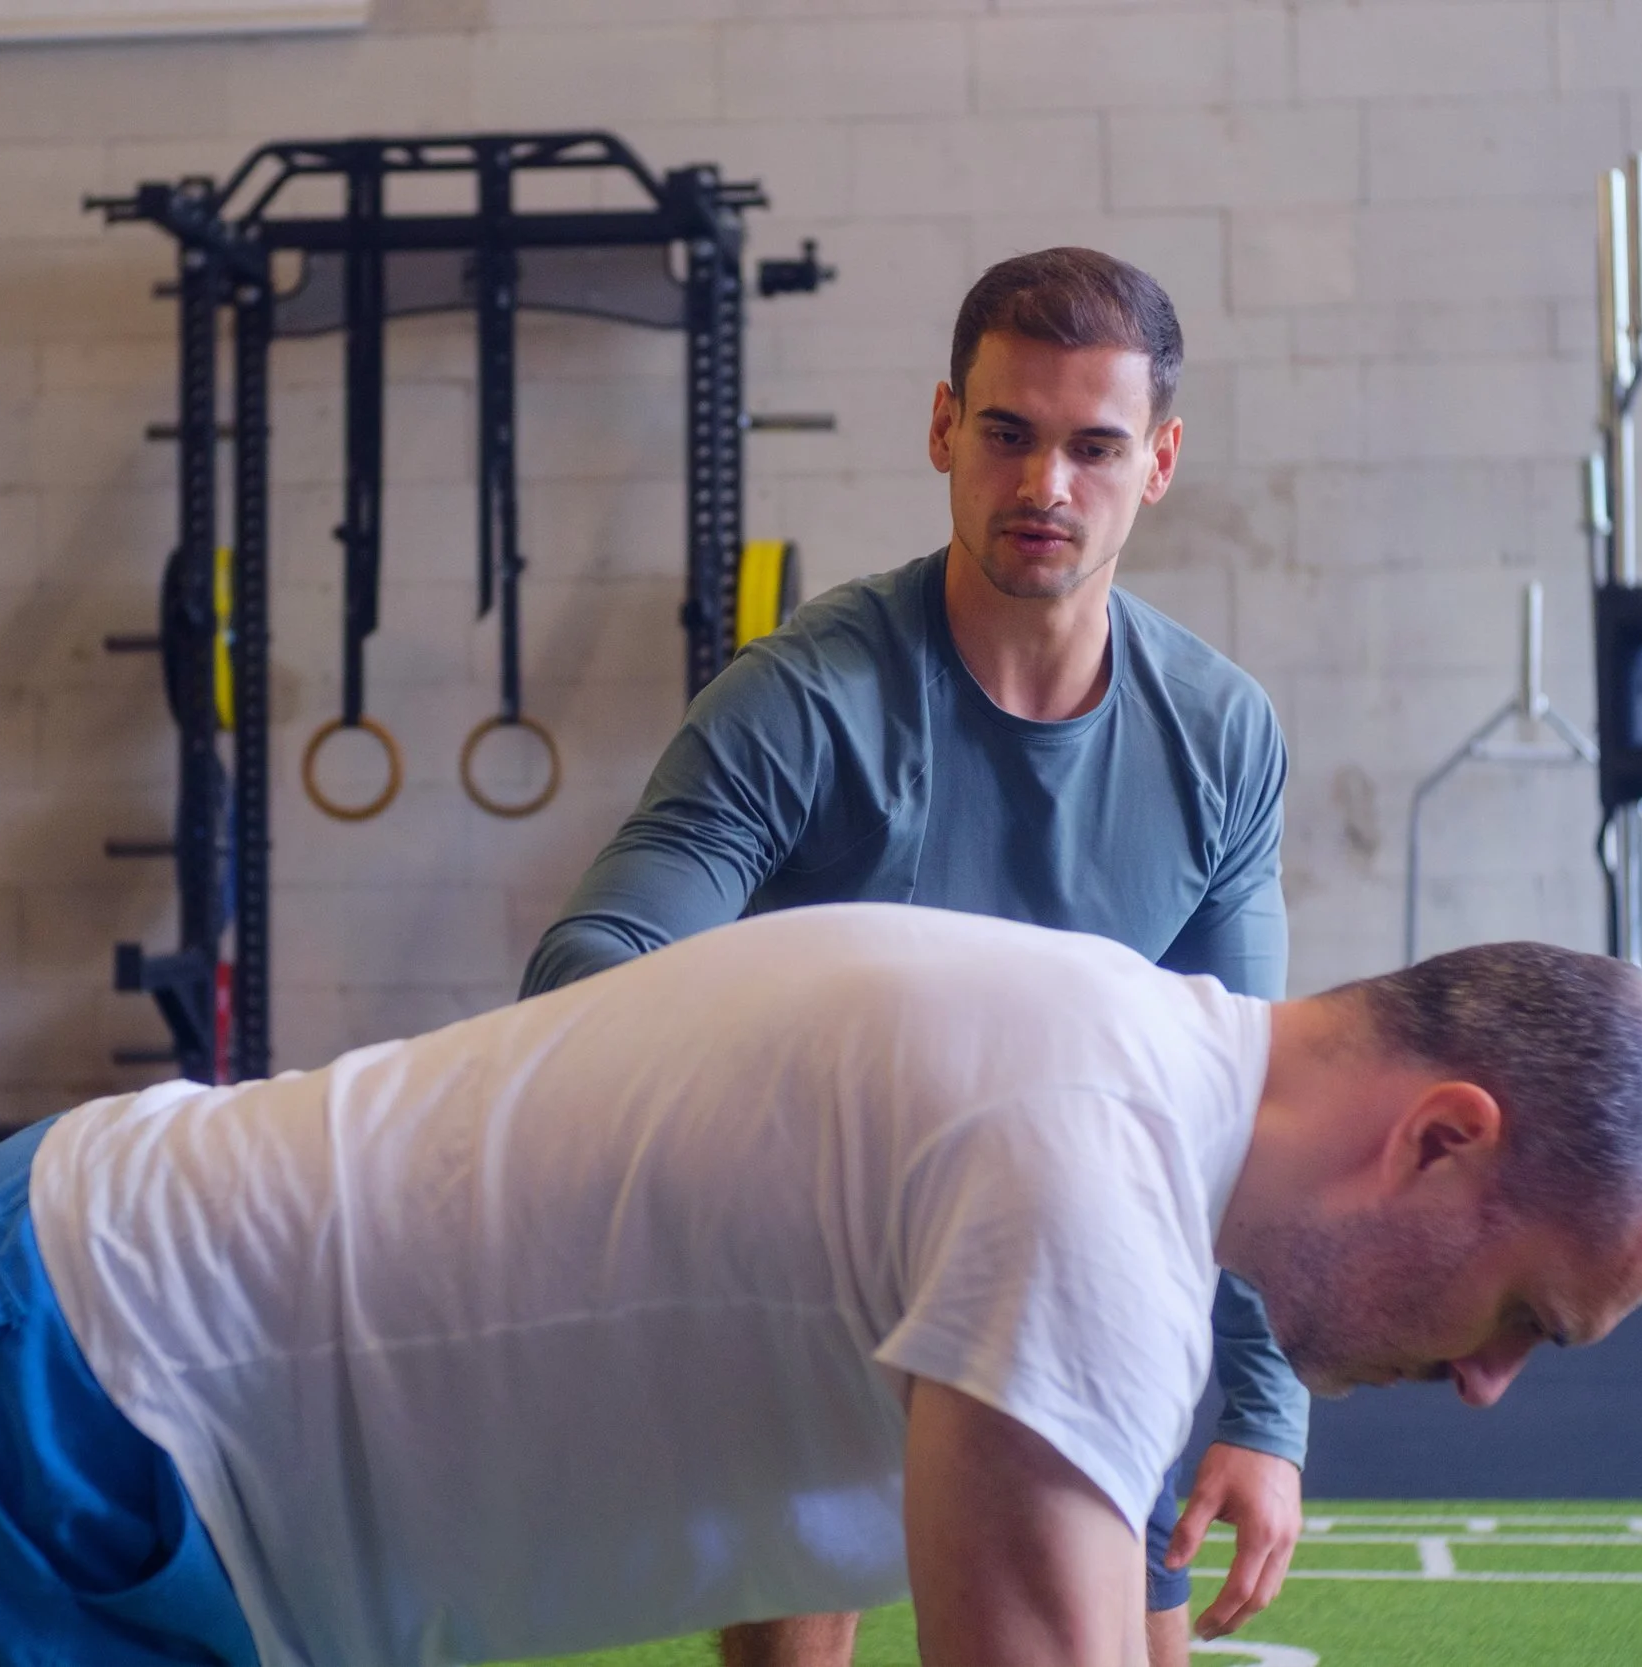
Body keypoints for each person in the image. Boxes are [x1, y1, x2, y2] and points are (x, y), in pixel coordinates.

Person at [0, 906, 1642, 1667]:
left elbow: (789, 1438)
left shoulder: (1106, 1084)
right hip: (63, 1395)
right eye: (1520, 1318)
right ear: (1439, 1137)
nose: (1484, 1382)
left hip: (157, 1431)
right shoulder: (1088, 1176)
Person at [521, 247, 1298, 1666]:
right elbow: (599, 959)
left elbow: (1242, 1104)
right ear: (945, 428)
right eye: (1007, 433)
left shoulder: (1221, 738)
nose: (1045, 484)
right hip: (816, 1261)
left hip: (1064, 1273)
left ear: (1161, 460)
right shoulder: (803, 700)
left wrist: (1263, 1412)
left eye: (1094, 445)